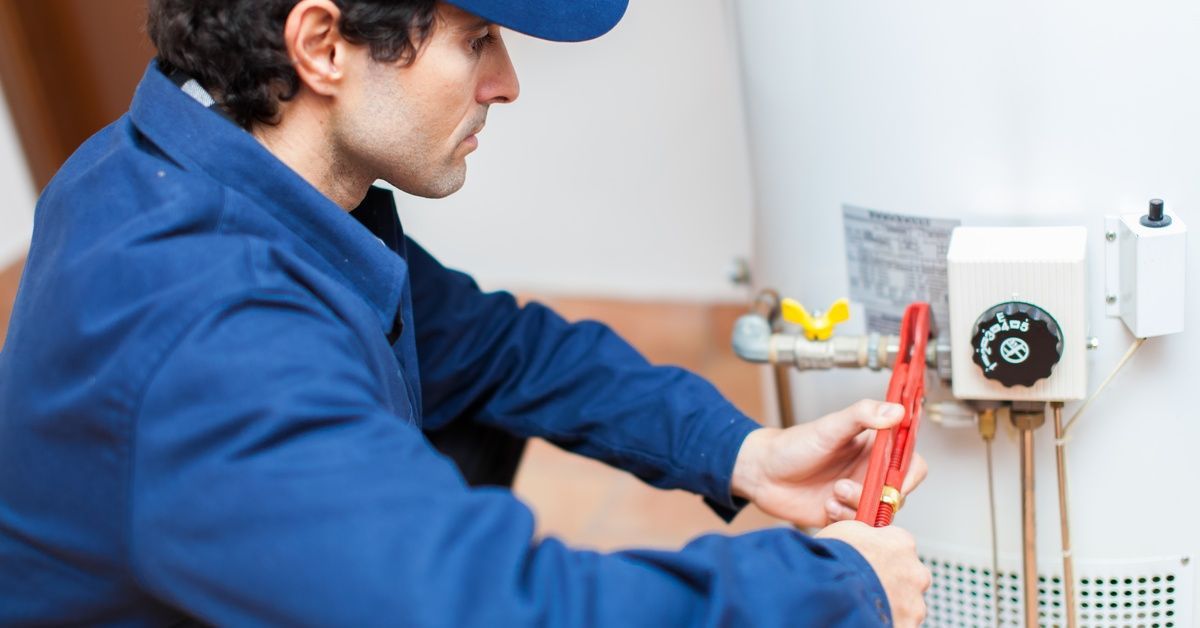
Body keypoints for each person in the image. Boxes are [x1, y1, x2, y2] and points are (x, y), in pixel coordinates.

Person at [0, 0, 932, 625]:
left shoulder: (190, 163)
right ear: (322, 46)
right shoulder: (213, 340)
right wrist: (833, 591)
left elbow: (497, 349)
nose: (506, 82)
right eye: (476, 36)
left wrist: (741, 453)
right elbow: (492, 609)